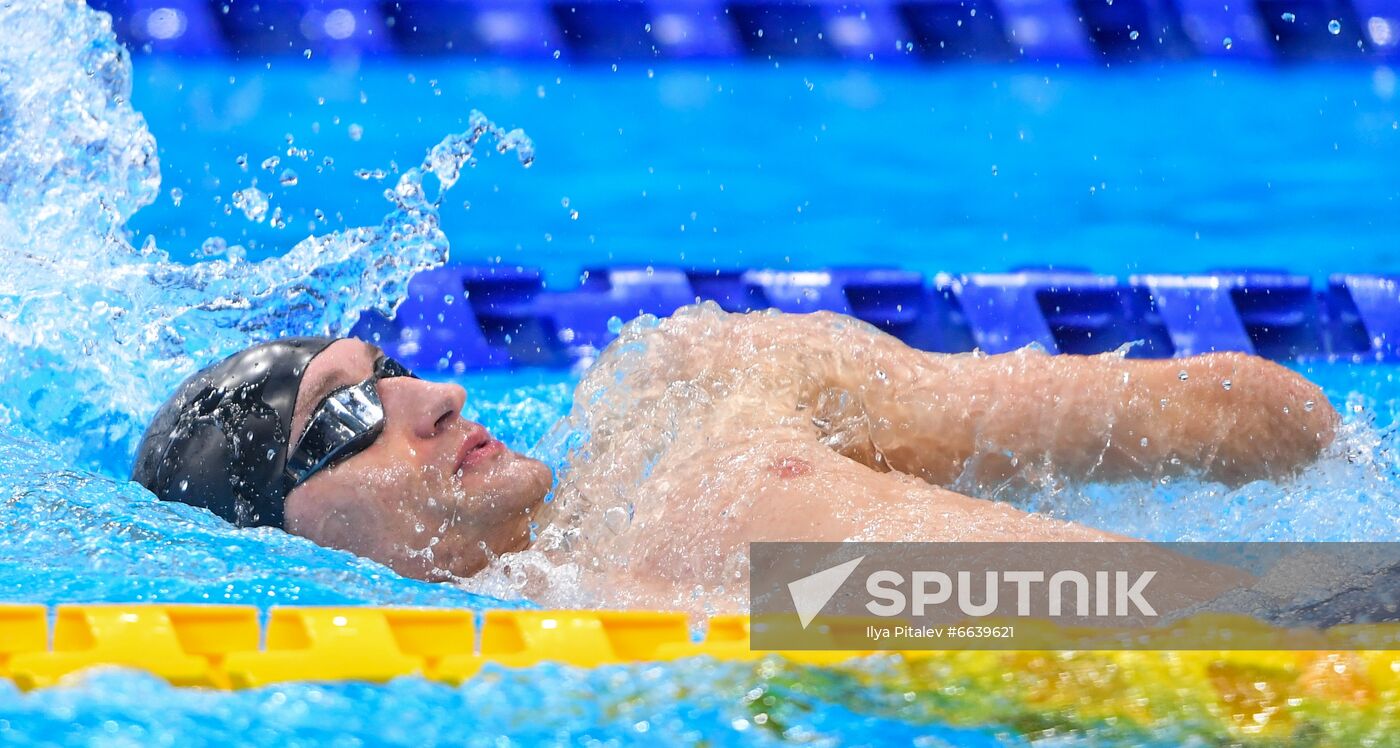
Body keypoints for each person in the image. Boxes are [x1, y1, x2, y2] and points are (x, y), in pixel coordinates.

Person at [132, 304, 1338, 607]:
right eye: (347, 418)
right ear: (271, 540)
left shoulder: (701, 394)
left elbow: (1259, 417)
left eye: (394, 367)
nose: (437, 396)